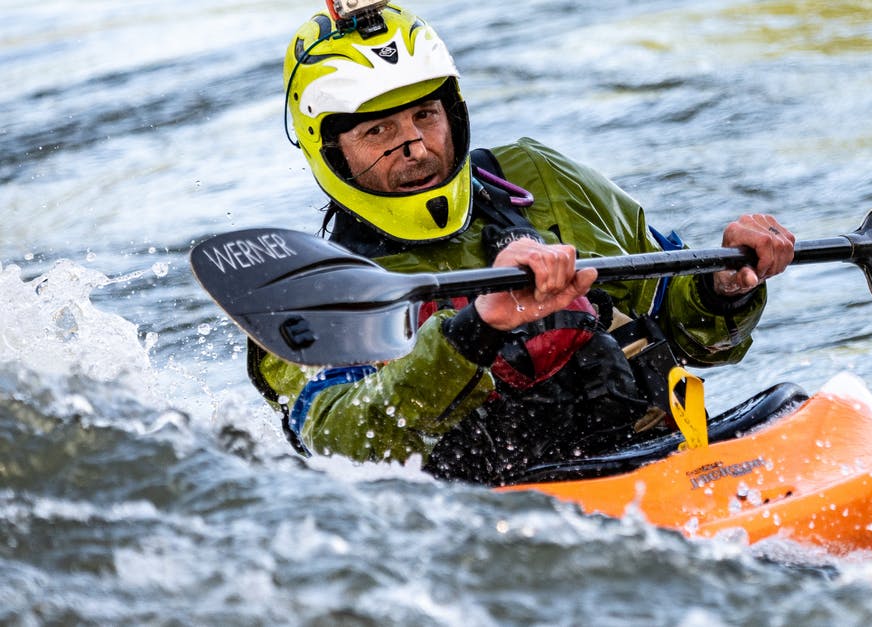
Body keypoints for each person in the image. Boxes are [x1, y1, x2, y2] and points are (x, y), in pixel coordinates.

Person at [249, 3, 796, 486]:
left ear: (454, 112)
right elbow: (344, 444)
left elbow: (685, 332)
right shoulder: (305, 290)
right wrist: (476, 330)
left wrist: (723, 289)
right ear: (331, 150)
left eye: (425, 115)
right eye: (379, 132)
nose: (415, 146)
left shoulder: (540, 179)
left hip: (663, 460)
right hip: (484, 513)